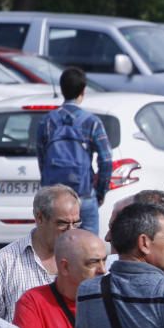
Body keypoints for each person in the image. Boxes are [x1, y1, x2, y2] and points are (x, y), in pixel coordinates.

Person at [35, 67, 112, 234]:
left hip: (52, 200)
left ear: (62, 89)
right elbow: (106, 160)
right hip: (84, 195)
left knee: (53, 250)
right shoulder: (92, 122)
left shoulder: (47, 121)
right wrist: (99, 192)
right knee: (87, 251)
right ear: (83, 91)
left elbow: (42, 159)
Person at [0, 185, 81, 322]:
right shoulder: (5, 262)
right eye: (62, 224)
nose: (70, 231)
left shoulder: (84, 260)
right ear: (39, 218)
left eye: (76, 223)